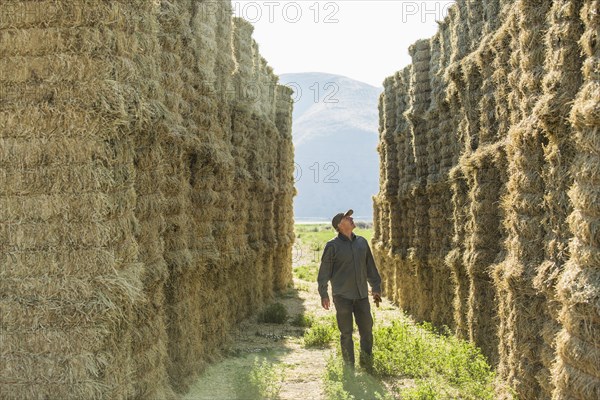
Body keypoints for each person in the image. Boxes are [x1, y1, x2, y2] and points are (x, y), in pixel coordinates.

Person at [317, 209, 382, 370]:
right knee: (346, 334)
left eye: (351, 216)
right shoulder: (332, 246)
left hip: (361, 296)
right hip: (342, 297)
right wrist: (324, 294)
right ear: (339, 225)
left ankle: (366, 366)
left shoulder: (362, 242)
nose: (351, 218)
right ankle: (349, 369)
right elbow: (324, 273)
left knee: (367, 331)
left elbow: (370, 267)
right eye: (347, 218)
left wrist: (376, 287)